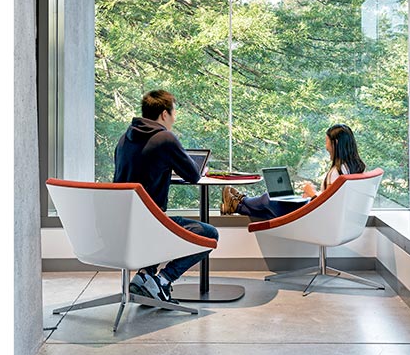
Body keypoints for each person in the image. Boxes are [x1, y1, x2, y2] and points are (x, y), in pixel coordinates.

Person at [114, 89, 219, 304]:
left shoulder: (125, 139)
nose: (174, 118)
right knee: (209, 234)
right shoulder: (165, 138)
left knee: (160, 222)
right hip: (151, 226)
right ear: (164, 114)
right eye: (174, 113)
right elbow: (193, 175)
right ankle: (162, 281)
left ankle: (144, 276)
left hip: (123, 226)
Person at [220, 123, 366, 219]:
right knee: (270, 208)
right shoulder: (353, 169)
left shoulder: (337, 173)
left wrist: (312, 193)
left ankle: (241, 200)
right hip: (322, 216)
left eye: (327, 142)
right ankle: (236, 206)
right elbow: (336, 202)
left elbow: (329, 208)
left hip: (315, 219)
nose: (326, 147)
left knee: (269, 199)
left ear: (336, 143)